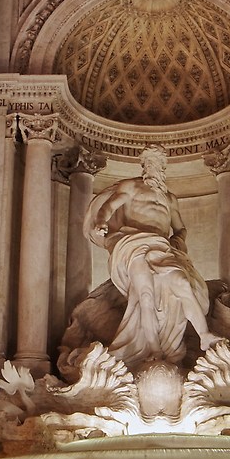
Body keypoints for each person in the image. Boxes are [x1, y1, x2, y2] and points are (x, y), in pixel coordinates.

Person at [85, 147, 219, 371]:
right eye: (148, 163)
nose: (152, 168)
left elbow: (180, 228)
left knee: (182, 283)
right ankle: (154, 350)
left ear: (163, 168)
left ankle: (204, 334)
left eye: (156, 163)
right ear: (143, 166)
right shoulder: (131, 187)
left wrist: (178, 241)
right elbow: (109, 207)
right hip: (133, 244)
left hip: (161, 247)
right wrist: (101, 222)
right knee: (144, 296)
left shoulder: (170, 198)